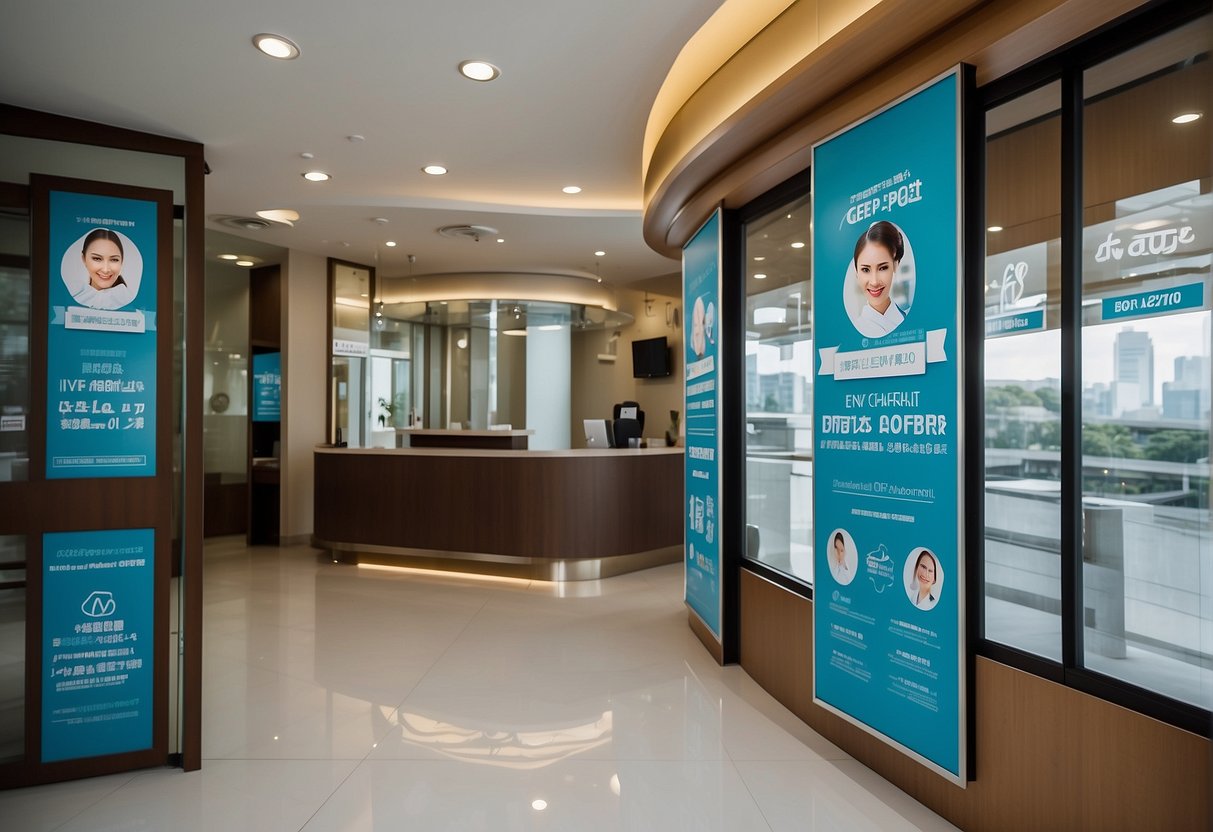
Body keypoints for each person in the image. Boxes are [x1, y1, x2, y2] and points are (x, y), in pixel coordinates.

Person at [851, 220, 906, 337]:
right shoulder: (853, 331)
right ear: (856, 272)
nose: (874, 282)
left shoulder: (909, 317)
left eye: (882, 268)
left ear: (895, 264)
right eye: (865, 270)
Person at [67, 228, 136, 310]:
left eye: (114, 260)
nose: (105, 270)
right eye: (97, 259)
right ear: (84, 259)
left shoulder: (131, 303)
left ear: (121, 262)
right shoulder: (74, 295)